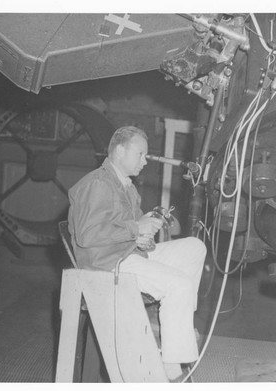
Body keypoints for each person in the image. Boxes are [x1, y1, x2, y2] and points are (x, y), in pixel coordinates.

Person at [67, 125, 206, 381]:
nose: (144, 161)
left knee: (194, 248)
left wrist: (143, 237)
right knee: (180, 285)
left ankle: (176, 321)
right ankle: (171, 365)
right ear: (120, 150)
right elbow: (88, 235)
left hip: (128, 254)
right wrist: (135, 228)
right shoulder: (97, 183)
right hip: (107, 265)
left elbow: (124, 231)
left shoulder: (127, 187)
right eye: (141, 154)